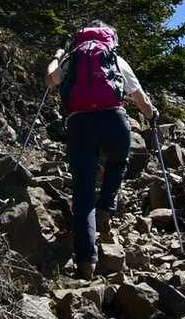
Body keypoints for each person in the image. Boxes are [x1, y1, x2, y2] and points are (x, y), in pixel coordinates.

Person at [46, 21, 157, 279]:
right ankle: (106, 206)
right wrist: (152, 115)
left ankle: (86, 263)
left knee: (83, 193)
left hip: (79, 124)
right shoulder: (115, 59)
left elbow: (50, 80)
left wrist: (58, 55)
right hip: (114, 120)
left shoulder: (72, 58)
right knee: (117, 162)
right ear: (110, 39)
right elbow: (139, 98)